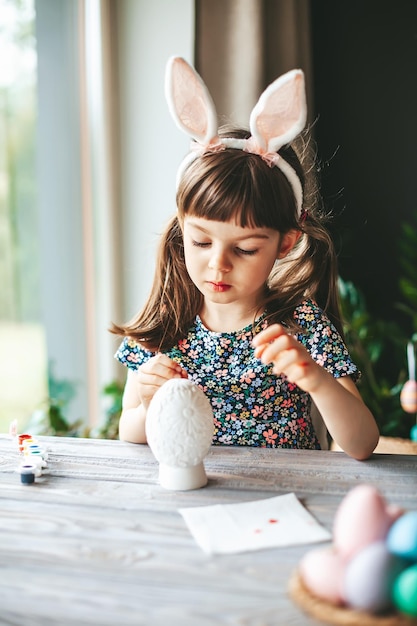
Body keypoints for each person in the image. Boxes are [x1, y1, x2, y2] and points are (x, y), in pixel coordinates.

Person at [112, 57, 379, 460]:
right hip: (198, 501)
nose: (219, 264)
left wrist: (315, 378)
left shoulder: (299, 326)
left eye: (245, 249)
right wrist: (151, 403)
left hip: (286, 501)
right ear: (183, 230)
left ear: (285, 243)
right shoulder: (165, 326)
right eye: (201, 242)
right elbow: (128, 432)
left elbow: (362, 444)